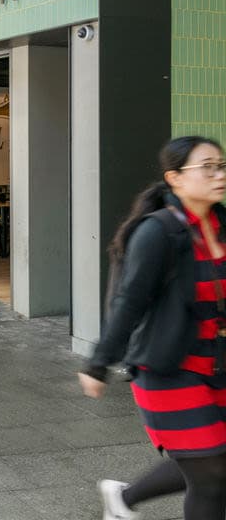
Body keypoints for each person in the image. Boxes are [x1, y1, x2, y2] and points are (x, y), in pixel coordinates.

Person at [80, 136, 226, 520]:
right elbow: (129, 302)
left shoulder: (220, 224)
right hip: (169, 369)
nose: (219, 175)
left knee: (211, 462)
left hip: (217, 365)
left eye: (221, 166)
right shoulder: (158, 232)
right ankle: (123, 499)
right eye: (207, 167)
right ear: (175, 178)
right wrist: (99, 363)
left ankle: (122, 498)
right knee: (211, 474)